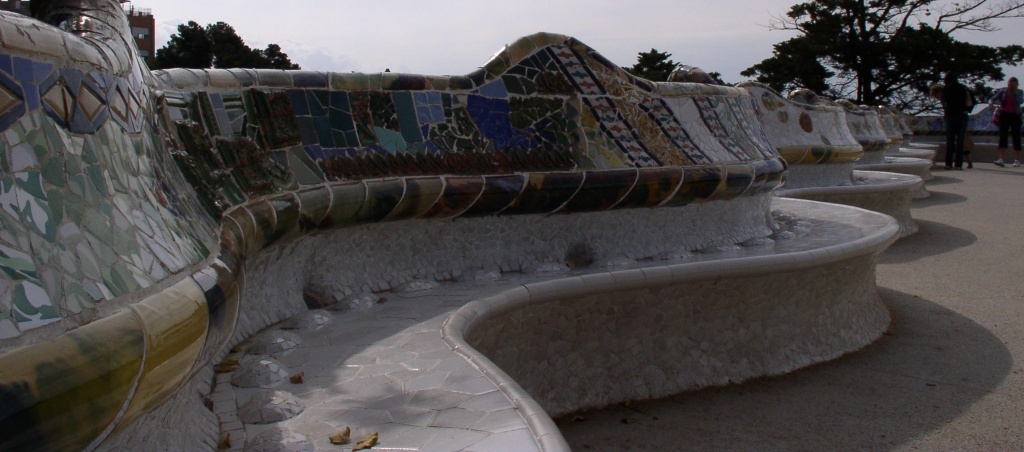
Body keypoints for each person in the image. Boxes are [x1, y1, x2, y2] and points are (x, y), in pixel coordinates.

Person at [941, 73, 974, 170]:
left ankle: (948, 163)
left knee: (950, 141)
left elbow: (944, 102)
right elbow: (971, 102)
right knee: (960, 141)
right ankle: (958, 164)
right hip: (962, 115)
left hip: (951, 115)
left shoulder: (946, 89)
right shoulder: (963, 88)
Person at [989, 77, 1024, 167]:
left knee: (1016, 137)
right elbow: (993, 98)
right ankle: (1001, 159)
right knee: (1003, 136)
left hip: (1016, 116)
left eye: (1013, 84)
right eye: (1009, 84)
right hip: (1004, 115)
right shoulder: (1003, 91)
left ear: (1017, 85)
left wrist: (1015, 91)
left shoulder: (1019, 92)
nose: (1011, 86)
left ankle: (1017, 160)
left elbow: (1021, 101)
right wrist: (991, 103)